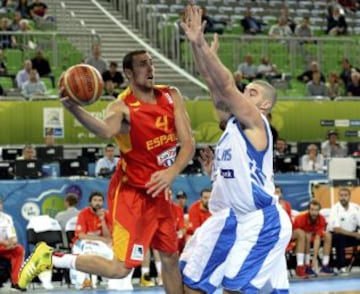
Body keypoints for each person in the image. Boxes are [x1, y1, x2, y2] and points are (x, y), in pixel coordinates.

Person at [18, 49, 195, 294]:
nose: (150, 68)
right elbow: (104, 130)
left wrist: (173, 171)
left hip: (160, 191)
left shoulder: (171, 95)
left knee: (170, 257)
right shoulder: (122, 106)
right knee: (121, 268)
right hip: (131, 195)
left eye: (151, 63)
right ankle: (50, 257)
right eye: (143, 64)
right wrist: (73, 108)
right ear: (129, 73)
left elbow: (189, 144)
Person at [180, 5, 292, 293]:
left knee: (235, 289)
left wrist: (201, 43)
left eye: (253, 92)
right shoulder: (231, 123)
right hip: (239, 219)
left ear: (265, 105)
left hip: (262, 220)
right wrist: (198, 49)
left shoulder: (256, 121)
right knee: (219, 286)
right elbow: (213, 83)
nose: (246, 94)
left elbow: (227, 85)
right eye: (247, 90)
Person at [71, 191, 113, 289]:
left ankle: (110, 279)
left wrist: (102, 220)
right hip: (81, 243)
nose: (97, 203)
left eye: (100, 200)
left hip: (100, 244)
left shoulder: (106, 214)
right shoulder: (83, 213)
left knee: (112, 251)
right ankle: (85, 280)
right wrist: (101, 239)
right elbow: (81, 236)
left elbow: (108, 237)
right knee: (86, 250)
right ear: (90, 202)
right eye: (95, 200)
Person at [293, 200, 334, 276]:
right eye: (312, 210)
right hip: (301, 241)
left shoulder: (321, 219)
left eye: (316, 210)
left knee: (328, 235)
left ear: (319, 211)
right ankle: (304, 266)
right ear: (308, 210)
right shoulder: (299, 219)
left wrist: (314, 258)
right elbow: (294, 236)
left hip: (314, 239)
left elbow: (317, 238)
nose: (314, 212)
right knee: (305, 235)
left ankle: (325, 266)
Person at [274, 186, 308, 279]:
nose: (276, 194)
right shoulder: (269, 205)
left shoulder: (287, 205)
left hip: (287, 232)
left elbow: (289, 221)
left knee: (301, 233)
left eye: (278, 192)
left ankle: (300, 266)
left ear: (281, 194)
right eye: (275, 192)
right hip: (275, 234)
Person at [327, 187, 360, 273]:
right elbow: (337, 229)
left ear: (349, 196)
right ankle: (341, 266)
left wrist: (358, 234)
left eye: (345, 195)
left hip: (352, 235)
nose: (343, 197)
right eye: (341, 195)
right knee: (339, 237)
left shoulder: (356, 208)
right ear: (338, 197)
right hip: (336, 237)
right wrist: (355, 235)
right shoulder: (335, 209)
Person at [0, 195, 25, 291]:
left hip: (4, 247)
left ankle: (16, 282)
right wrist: (4, 242)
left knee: (19, 250)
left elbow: (12, 234)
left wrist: (13, 241)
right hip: (3, 244)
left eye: (0, 203)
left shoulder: (7, 218)